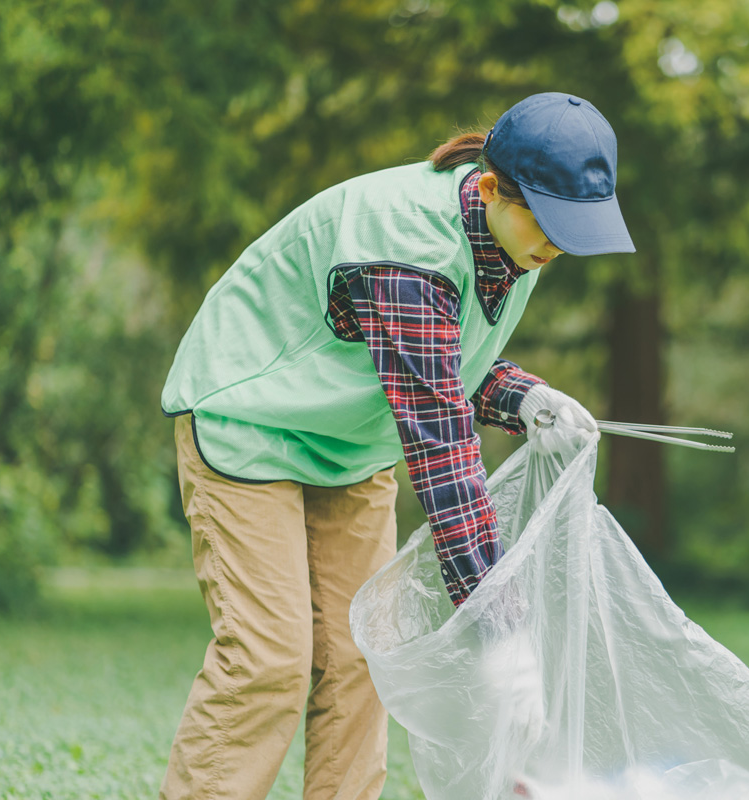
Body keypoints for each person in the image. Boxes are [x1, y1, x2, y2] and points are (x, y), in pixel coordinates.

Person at [157, 92, 635, 800]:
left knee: (362, 660)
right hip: (249, 423)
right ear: (496, 186)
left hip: (349, 446)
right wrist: (499, 628)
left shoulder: (513, 245)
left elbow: (441, 361)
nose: (556, 246)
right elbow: (440, 443)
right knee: (269, 660)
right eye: (550, 222)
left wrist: (525, 397)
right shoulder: (407, 246)